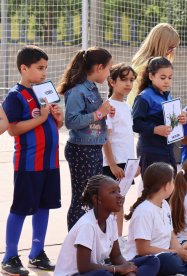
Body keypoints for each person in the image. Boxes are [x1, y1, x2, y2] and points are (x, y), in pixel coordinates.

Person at [1, 45, 63, 275]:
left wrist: (57, 118)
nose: (44, 73)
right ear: (23, 68)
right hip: (29, 163)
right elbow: (12, 130)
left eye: (45, 68)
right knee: (20, 209)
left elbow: (53, 124)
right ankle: (9, 257)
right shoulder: (15, 96)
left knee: (44, 207)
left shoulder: (43, 92)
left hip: (49, 163)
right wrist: (41, 119)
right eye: (39, 68)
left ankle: (37, 253)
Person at [54, 175, 160, 276]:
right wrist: (118, 269)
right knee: (104, 274)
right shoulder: (87, 225)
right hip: (77, 274)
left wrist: (128, 270)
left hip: (98, 270)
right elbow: (84, 267)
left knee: (152, 261)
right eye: (113, 192)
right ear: (97, 199)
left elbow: (116, 256)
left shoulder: (110, 220)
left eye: (119, 191)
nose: (120, 196)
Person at [124, 162, 187, 276]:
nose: (174, 183)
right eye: (172, 181)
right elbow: (143, 249)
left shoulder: (164, 204)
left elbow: (171, 235)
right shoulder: (144, 211)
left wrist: (180, 250)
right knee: (170, 261)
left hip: (169, 252)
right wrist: (176, 252)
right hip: (148, 258)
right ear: (166, 186)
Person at [58, 47, 115, 230]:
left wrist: (104, 113)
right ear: (99, 67)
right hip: (82, 149)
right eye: (108, 68)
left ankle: (88, 239)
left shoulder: (92, 89)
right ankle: (75, 243)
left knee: (92, 197)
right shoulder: (77, 90)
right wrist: (99, 113)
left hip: (93, 148)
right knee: (82, 198)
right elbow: (72, 121)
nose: (108, 73)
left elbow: (92, 116)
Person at [132, 57, 187, 176]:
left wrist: (180, 119)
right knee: (154, 189)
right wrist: (155, 129)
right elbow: (135, 124)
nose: (167, 81)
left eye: (170, 77)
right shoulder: (144, 97)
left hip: (167, 149)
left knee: (170, 187)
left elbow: (171, 120)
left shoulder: (168, 96)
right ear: (151, 76)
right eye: (163, 78)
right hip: (151, 150)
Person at [102, 63, 138, 238]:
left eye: (131, 80)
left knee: (120, 201)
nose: (128, 84)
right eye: (123, 80)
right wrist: (112, 164)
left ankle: (117, 239)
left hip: (127, 162)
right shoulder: (108, 106)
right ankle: (108, 241)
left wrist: (134, 162)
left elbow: (128, 137)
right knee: (109, 203)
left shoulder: (127, 106)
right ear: (111, 81)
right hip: (113, 164)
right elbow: (106, 138)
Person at [127, 23, 180, 107]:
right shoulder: (147, 66)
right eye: (170, 48)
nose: (171, 52)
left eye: (174, 48)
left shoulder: (141, 61)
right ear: (160, 45)